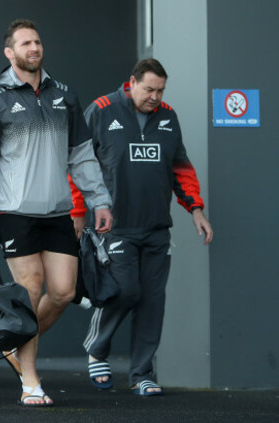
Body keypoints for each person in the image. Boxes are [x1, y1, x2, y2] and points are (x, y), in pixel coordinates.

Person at [0, 19, 113, 407]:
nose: (34, 48)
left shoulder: (64, 95)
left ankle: (14, 344)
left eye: (37, 41)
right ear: (9, 53)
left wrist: (99, 199)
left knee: (63, 292)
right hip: (14, 212)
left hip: (57, 212)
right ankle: (30, 379)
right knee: (30, 289)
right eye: (25, 43)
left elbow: (81, 155)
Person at [79, 58, 213, 396]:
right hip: (115, 226)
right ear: (132, 83)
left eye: (160, 90)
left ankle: (142, 374)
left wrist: (196, 210)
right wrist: (78, 212)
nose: (155, 96)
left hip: (156, 228)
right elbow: (77, 163)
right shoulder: (102, 110)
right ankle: (97, 349)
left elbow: (181, 169)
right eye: (149, 89)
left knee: (152, 301)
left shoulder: (168, 117)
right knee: (126, 291)